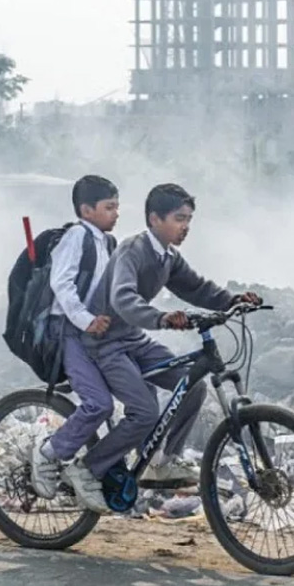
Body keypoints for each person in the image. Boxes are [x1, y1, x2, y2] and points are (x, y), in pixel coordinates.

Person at [62, 183, 261, 512]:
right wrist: (162, 317)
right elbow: (122, 298)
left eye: (189, 220)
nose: (185, 227)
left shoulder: (167, 256)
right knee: (145, 411)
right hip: (105, 343)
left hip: (132, 340)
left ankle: (162, 460)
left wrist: (233, 300)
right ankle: (85, 469)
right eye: (179, 218)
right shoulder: (133, 250)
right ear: (154, 219)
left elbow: (196, 287)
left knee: (192, 384)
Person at [30, 175, 120, 502]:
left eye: (117, 207)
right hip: (69, 332)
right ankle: (49, 453)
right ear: (87, 209)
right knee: (98, 403)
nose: (116, 213)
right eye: (109, 207)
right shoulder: (76, 237)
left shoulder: (108, 243)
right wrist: (86, 320)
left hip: (98, 334)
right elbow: (62, 286)